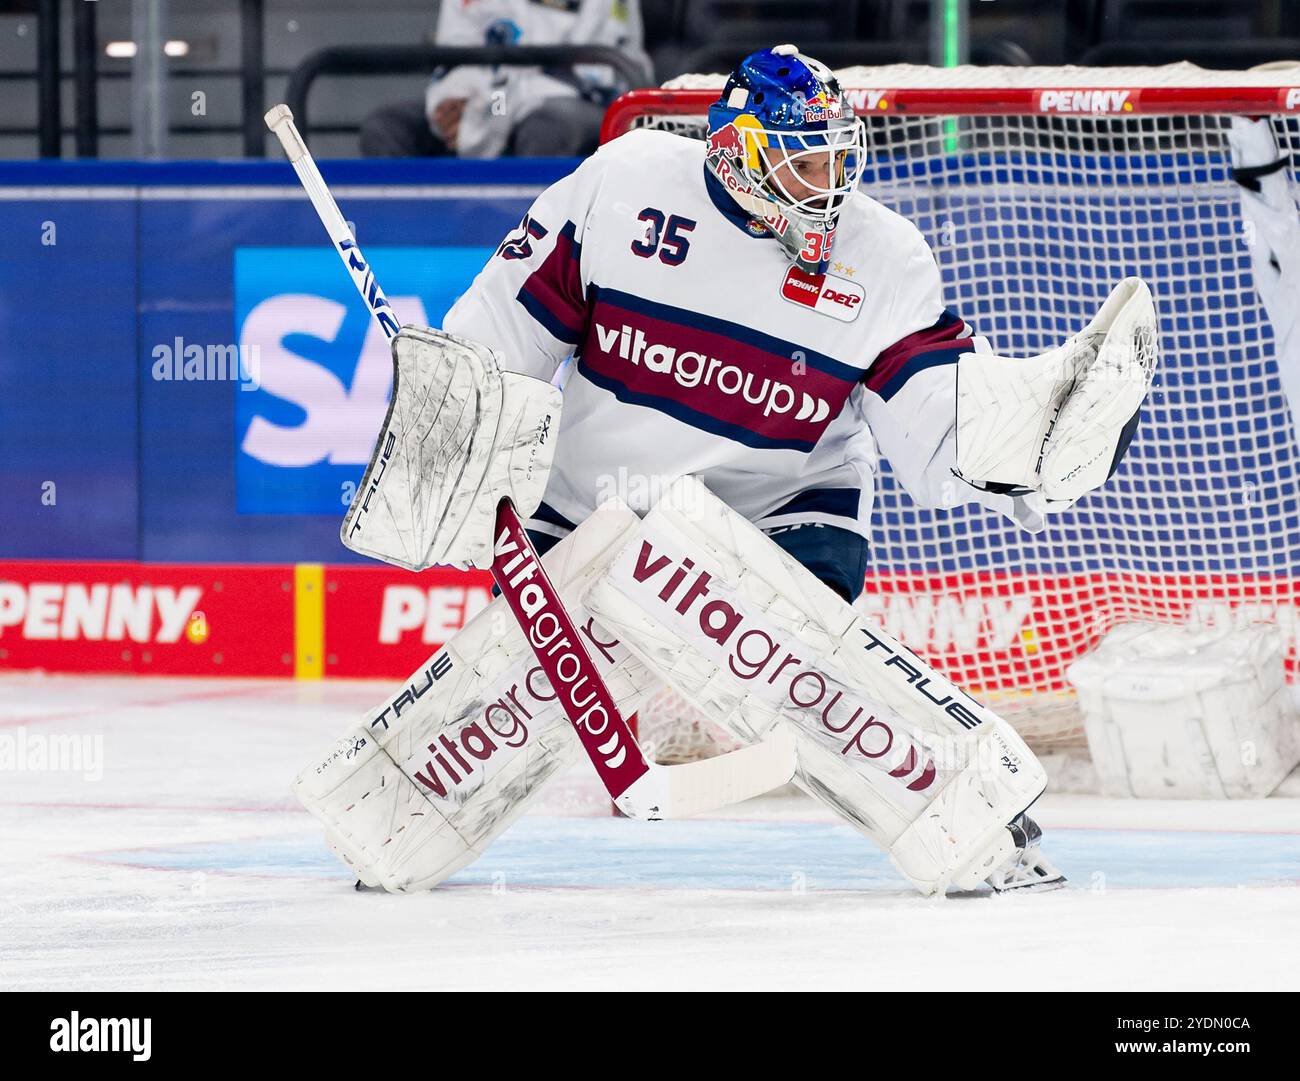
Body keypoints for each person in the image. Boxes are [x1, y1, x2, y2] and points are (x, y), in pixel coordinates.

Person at [311, 46, 1156, 895]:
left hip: (785, 512)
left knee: (806, 671)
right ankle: (389, 817)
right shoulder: (625, 185)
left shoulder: (883, 257)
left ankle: (972, 821)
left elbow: (937, 429)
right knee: (519, 688)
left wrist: (1031, 442)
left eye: (838, 156)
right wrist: (455, 419)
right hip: (593, 507)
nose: (830, 183)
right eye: (805, 160)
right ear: (738, 151)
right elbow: (503, 337)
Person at [359, 0, 648, 158]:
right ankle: (411, 252)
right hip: (486, 99)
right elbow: (455, 54)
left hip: (566, 98)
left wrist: (494, 109)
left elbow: (597, 76)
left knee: (546, 129)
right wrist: (454, 99)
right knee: (385, 128)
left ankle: (537, 252)